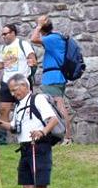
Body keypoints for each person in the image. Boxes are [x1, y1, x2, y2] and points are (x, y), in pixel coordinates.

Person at [0, 73, 59, 188]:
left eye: (14, 90)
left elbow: (53, 120)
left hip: (39, 147)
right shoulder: (18, 106)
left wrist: (42, 132)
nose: (13, 94)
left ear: (25, 86)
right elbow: (14, 127)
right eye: (11, 91)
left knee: (40, 186)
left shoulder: (37, 99)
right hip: (25, 148)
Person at [0, 23, 36, 144]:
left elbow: (31, 57)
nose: (3, 36)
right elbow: (1, 64)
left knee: (27, 109)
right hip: (6, 82)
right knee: (3, 110)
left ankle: (28, 135)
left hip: (22, 82)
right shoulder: (3, 48)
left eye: (5, 34)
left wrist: (32, 62)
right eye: (2, 34)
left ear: (13, 33)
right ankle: (2, 140)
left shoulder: (23, 44)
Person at [30, 15, 71, 143]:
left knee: (59, 105)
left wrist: (39, 25)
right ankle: (62, 135)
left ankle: (67, 137)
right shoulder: (55, 38)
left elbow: (34, 38)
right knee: (56, 105)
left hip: (53, 77)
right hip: (54, 76)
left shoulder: (53, 38)